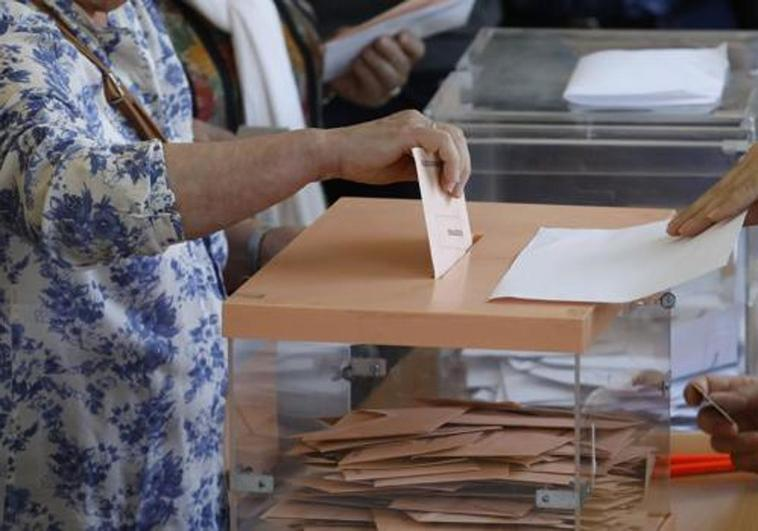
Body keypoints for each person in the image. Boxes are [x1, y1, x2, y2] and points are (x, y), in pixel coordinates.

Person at [0, 0, 470, 528]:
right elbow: (78, 198)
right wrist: (323, 153)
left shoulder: (124, 12)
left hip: (183, 447)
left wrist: (260, 246)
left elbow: (161, 161)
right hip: (74, 468)